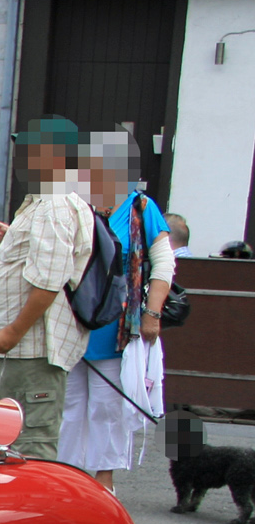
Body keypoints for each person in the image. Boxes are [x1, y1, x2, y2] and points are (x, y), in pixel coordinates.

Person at [58, 130, 168, 487]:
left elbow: (163, 263)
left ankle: (103, 482)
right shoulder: (70, 202)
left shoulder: (140, 207)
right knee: (69, 405)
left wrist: (151, 314)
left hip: (114, 326)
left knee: (105, 407)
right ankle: (67, 477)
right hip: (70, 322)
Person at [0, 117, 92, 462]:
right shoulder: (44, 201)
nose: (20, 157)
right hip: (25, 349)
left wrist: (13, 332)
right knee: (9, 442)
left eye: (29, 150)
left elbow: (49, 282)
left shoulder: (54, 205)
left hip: (33, 348)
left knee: (30, 447)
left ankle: (33, 514)